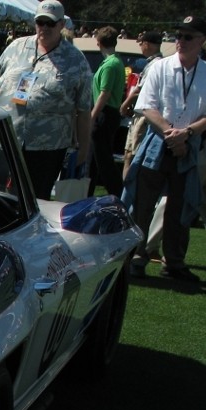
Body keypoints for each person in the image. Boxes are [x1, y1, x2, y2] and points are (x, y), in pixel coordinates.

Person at [0, 0, 92, 200]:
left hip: (45, 148)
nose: (44, 28)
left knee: (33, 201)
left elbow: (83, 110)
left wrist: (83, 147)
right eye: (41, 22)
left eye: (51, 23)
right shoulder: (15, 47)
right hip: (2, 139)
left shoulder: (76, 60)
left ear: (62, 25)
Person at [122, 15, 206, 282]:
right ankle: (135, 257)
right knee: (142, 204)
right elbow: (146, 106)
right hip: (158, 141)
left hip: (188, 144)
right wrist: (172, 134)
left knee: (180, 207)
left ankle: (174, 261)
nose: (180, 41)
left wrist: (188, 134)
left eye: (187, 36)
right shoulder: (160, 67)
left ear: (202, 41)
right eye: (178, 35)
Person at [87, 26, 126, 196]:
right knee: (95, 160)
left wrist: (92, 116)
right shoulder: (115, 62)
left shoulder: (110, 65)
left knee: (104, 160)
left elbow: (104, 93)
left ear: (99, 42)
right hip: (108, 113)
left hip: (105, 113)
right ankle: (88, 192)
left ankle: (117, 193)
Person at [121, 31, 164, 179]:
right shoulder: (154, 63)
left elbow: (142, 91)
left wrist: (125, 104)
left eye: (141, 43)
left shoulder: (156, 65)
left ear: (147, 44)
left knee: (133, 156)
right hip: (138, 115)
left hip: (143, 116)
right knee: (128, 154)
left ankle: (129, 193)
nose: (140, 46)